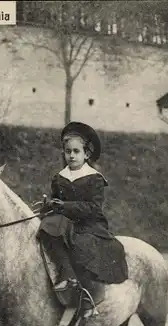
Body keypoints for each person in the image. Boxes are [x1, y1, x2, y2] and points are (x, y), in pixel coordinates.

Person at [38, 121, 128, 304]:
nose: (71, 156)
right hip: (64, 222)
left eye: (76, 151)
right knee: (47, 228)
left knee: (82, 245)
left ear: (86, 154)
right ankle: (67, 275)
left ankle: (87, 296)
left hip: (89, 224)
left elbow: (93, 208)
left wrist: (63, 206)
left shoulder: (94, 178)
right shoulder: (59, 177)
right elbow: (56, 201)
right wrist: (48, 205)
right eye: (68, 151)